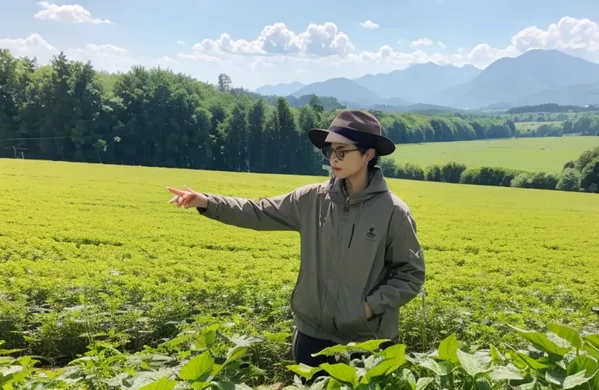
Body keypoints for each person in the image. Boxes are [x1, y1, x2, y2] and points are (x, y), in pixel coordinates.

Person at [167, 109, 426, 367]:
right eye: (330, 150)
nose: (332, 159)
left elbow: (410, 274)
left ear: (368, 154)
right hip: (312, 334)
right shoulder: (311, 199)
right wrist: (207, 202)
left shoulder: (393, 212)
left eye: (342, 151)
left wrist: (368, 308)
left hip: (366, 341)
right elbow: (258, 211)